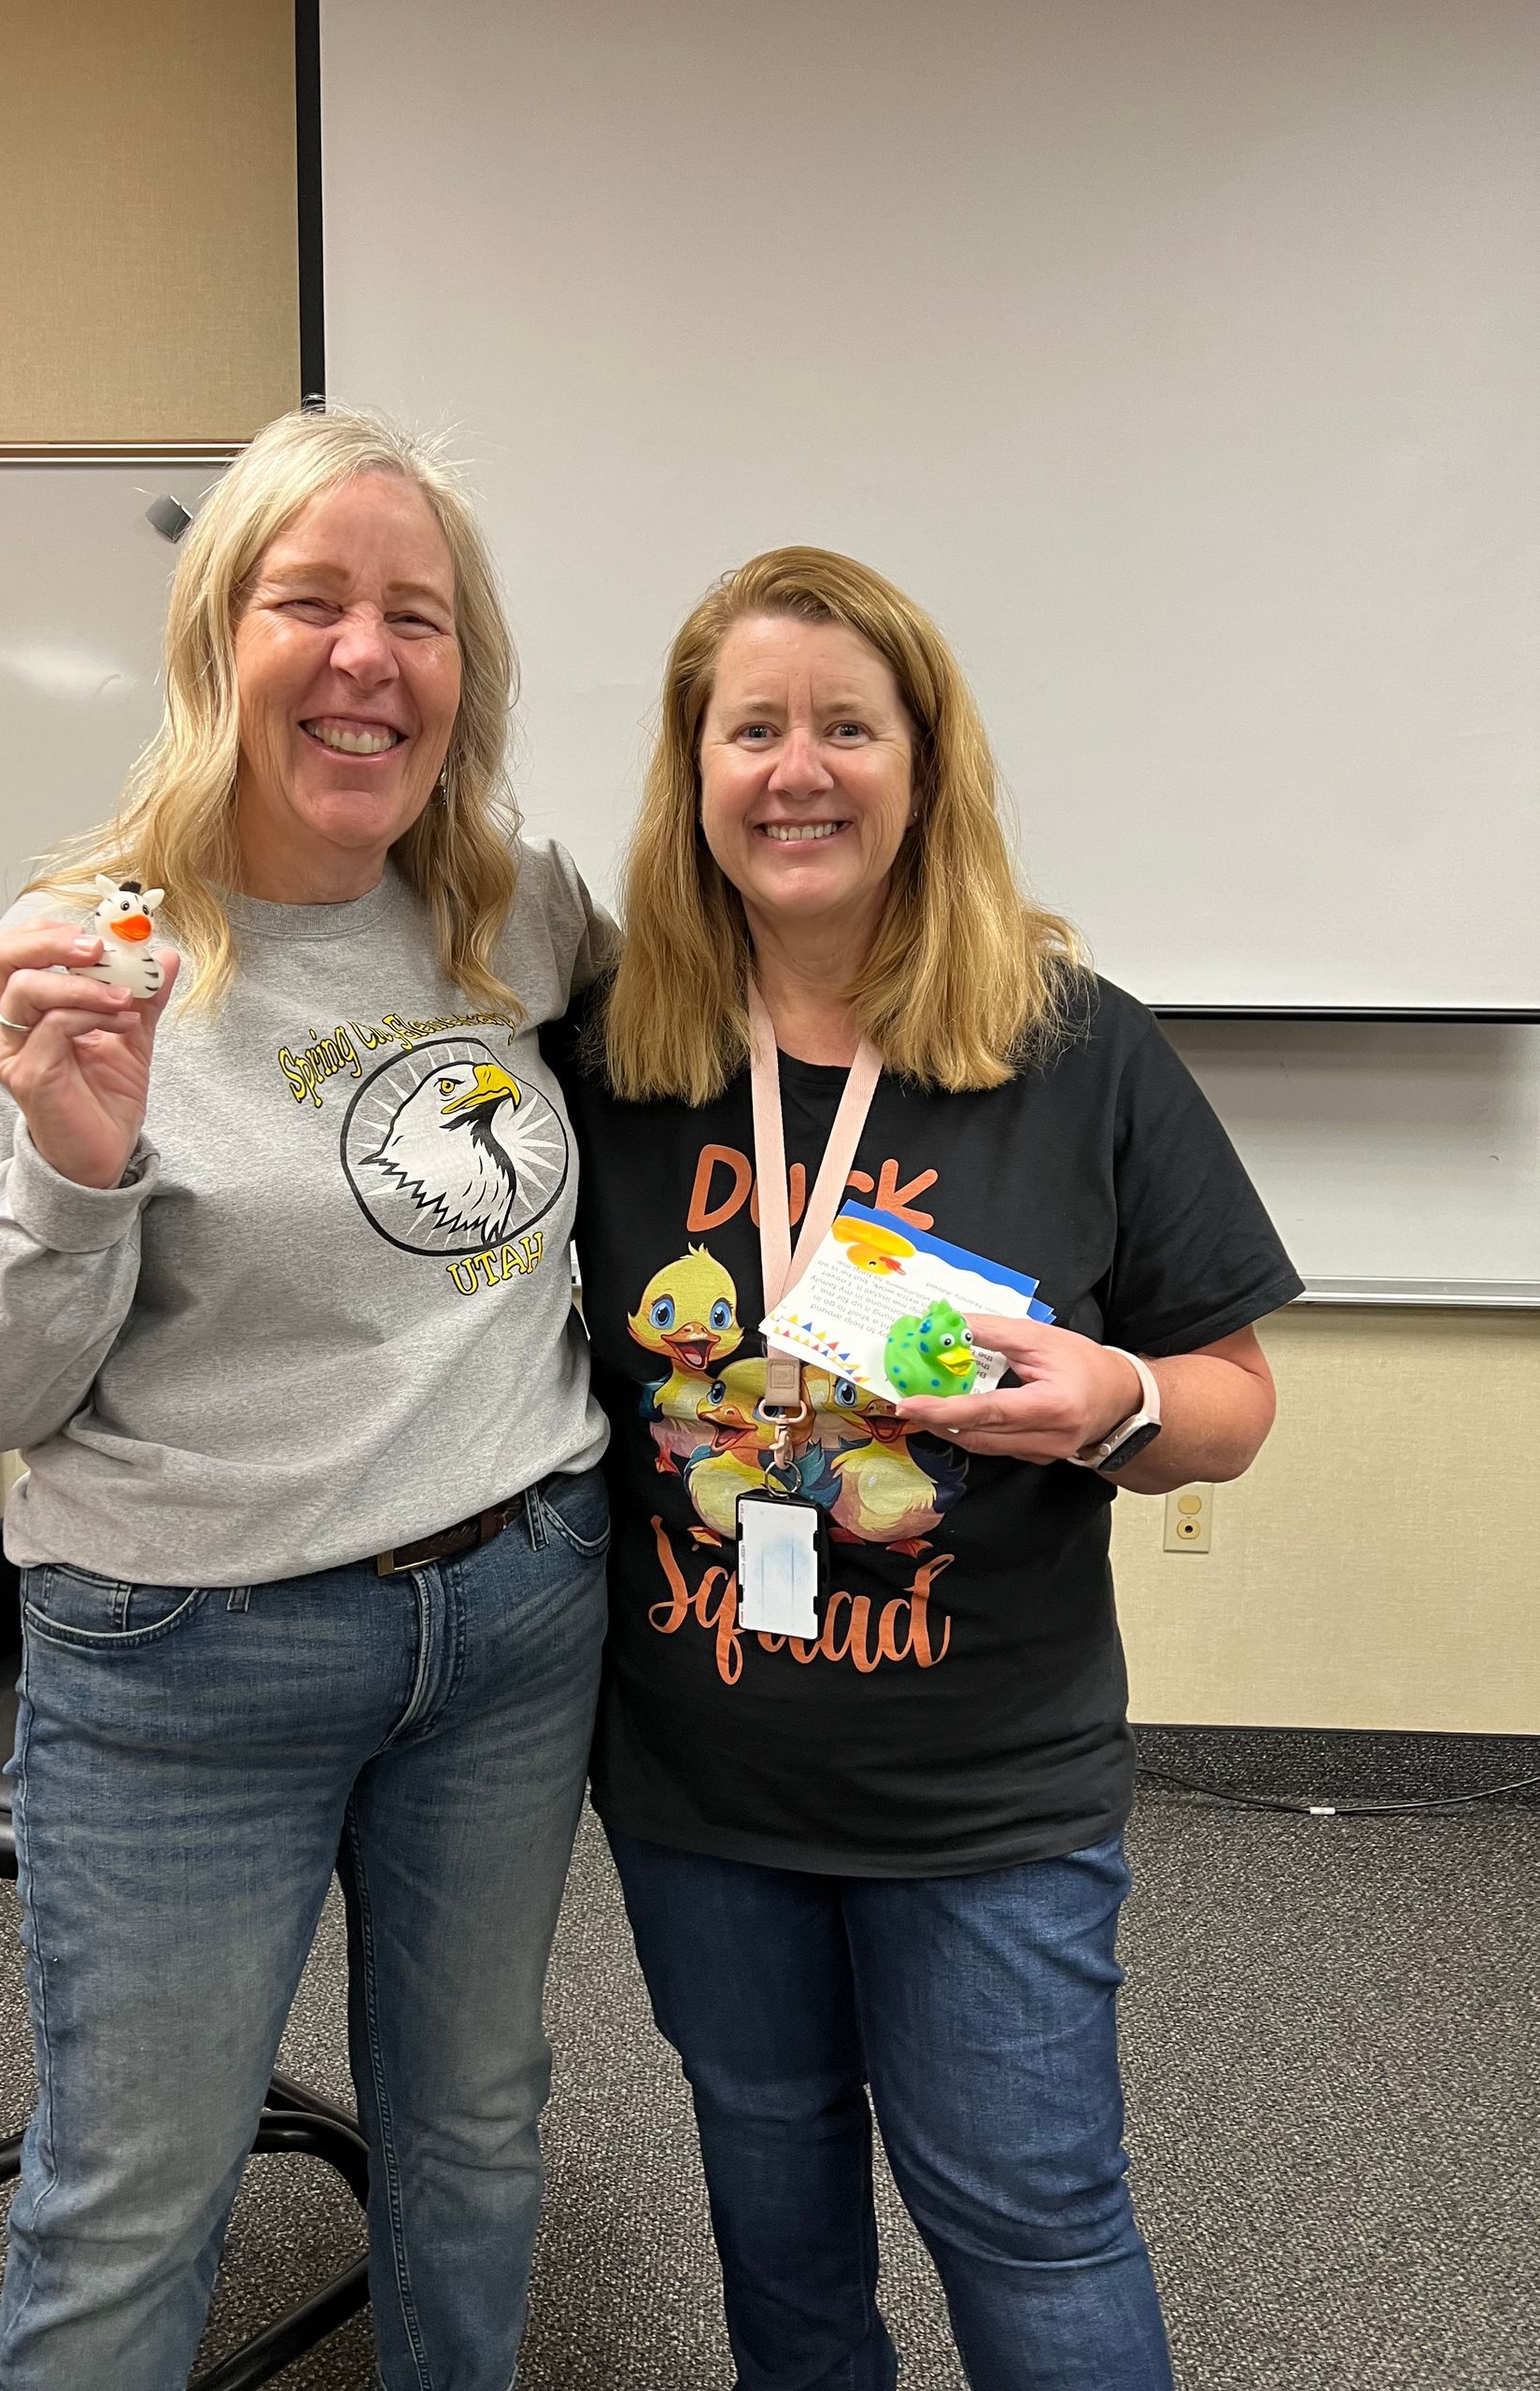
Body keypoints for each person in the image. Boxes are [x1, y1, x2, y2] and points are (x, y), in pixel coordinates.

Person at [0, 407, 616, 2391]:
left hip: (520, 1609)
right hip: (193, 1655)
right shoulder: (88, 950)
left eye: (420, 616)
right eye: (313, 601)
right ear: (219, 643)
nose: (370, 655)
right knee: (133, 2200)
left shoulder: (512, 912)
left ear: (468, 675)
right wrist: (73, 1166)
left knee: (474, 2132)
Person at [546, 545, 1303, 2391]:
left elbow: (1233, 1395)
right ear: (694, 767)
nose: (798, 769)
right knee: (780, 2241)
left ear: (921, 761)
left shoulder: (1074, 1045)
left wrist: (1113, 1395)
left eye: (846, 726)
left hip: (986, 1794)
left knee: (1033, 2235)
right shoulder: (609, 1054)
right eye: (753, 727)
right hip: (700, 1782)